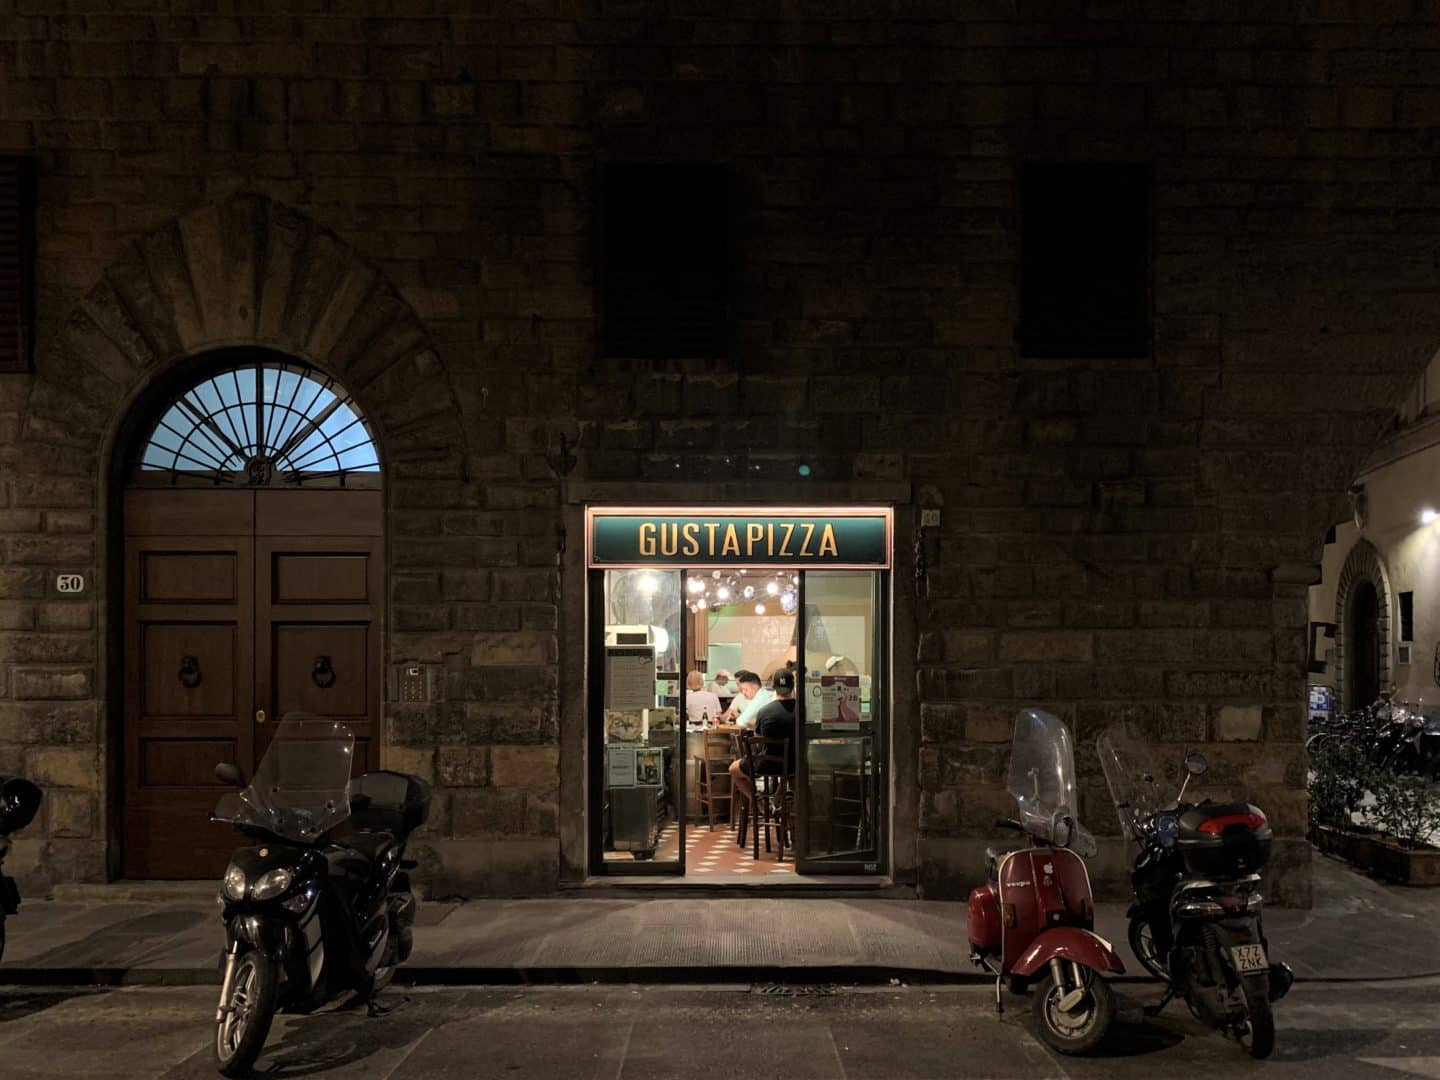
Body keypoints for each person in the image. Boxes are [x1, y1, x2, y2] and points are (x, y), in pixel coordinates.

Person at [729, 668, 797, 806]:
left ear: (774, 688)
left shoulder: (765, 711)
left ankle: (760, 805)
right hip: (795, 764)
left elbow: (759, 740)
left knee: (733, 770)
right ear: (792, 687)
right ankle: (777, 804)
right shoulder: (803, 709)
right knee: (788, 773)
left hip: (768, 764)